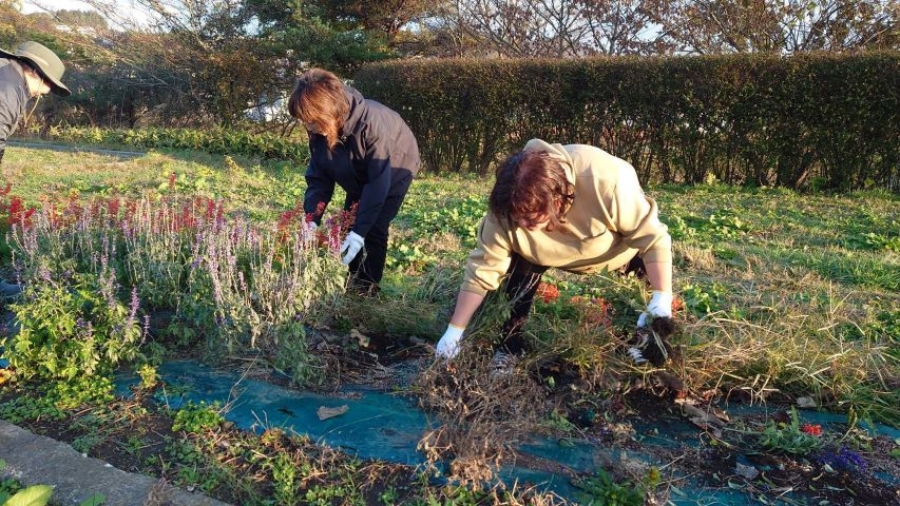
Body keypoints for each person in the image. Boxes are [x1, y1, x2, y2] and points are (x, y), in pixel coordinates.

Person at [434, 139, 674, 368]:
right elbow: (481, 272)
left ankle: (641, 341)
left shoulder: (605, 179)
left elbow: (652, 239)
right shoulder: (505, 210)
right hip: (539, 254)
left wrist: (661, 297)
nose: (522, 223)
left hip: (615, 251)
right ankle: (509, 345)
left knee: (650, 300)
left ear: (557, 199)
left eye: (530, 217)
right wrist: (454, 332)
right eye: (517, 217)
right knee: (518, 264)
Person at [288, 68, 419, 294]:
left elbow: (377, 183)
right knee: (350, 220)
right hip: (356, 167)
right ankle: (351, 277)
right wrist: (312, 218)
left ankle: (368, 288)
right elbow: (320, 175)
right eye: (306, 122)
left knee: (374, 226)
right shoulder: (319, 128)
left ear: (329, 112)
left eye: (313, 122)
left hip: (396, 163)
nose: (309, 128)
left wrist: (360, 233)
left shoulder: (371, 126)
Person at [0, 41, 71, 297]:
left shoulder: (7, 75)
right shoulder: (8, 88)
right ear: (35, 71)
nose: (48, 90)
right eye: (49, 82)